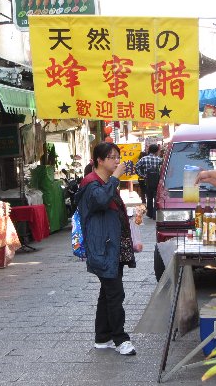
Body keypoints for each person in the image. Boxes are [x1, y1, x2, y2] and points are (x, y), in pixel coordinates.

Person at [75, 142, 137, 356]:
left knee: (107, 293)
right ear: (99, 161)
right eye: (111, 157)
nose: (116, 161)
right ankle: (121, 339)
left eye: (117, 157)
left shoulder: (105, 182)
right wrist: (116, 178)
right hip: (102, 247)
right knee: (115, 293)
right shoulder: (91, 183)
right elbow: (100, 201)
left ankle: (103, 337)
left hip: (112, 246)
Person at [135, 144, 163, 219]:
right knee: (156, 197)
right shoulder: (159, 159)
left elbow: (136, 167)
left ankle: (149, 213)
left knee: (149, 197)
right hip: (156, 182)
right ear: (157, 151)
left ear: (149, 150)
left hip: (147, 181)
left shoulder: (144, 159)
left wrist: (142, 175)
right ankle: (155, 214)